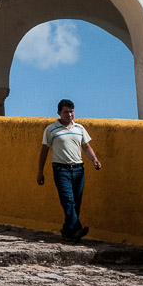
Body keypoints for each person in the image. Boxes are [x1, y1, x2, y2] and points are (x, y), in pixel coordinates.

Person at [36, 98, 102, 242]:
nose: (69, 115)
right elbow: (44, 151)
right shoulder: (51, 129)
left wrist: (94, 160)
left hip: (78, 169)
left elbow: (86, 147)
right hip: (61, 170)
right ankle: (77, 228)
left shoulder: (79, 128)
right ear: (59, 113)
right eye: (66, 112)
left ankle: (68, 232)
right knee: (68, 201)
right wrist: (40, 171)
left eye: (71, 112)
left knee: (76, 203)